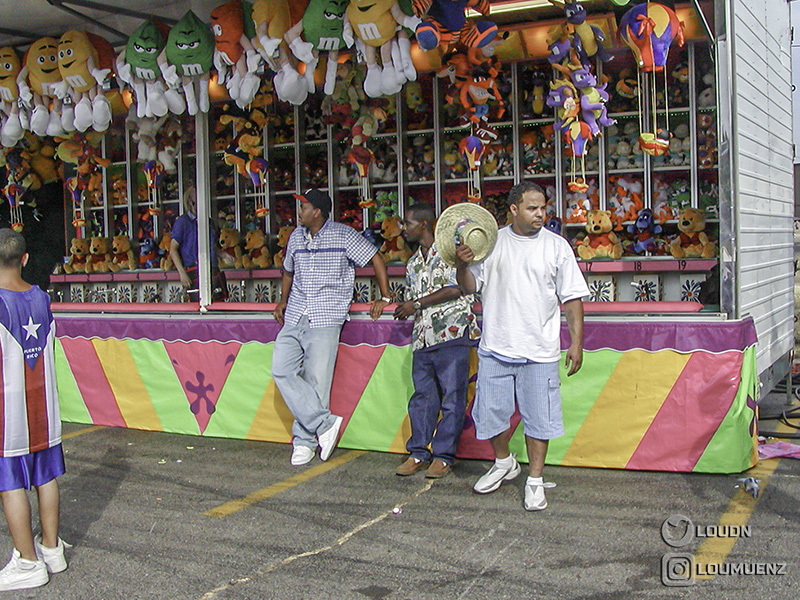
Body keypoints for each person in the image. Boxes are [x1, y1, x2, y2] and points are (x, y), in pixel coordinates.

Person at [455, 181, 589, 511]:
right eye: (532, 208)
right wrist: (461, 264)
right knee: (490, 416)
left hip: (540, 351)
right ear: (513, 210)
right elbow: (469, 287)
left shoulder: (557, 247)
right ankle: (504, 463)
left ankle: (534, 480)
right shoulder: (491, 243)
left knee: (539, 420)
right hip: (496, 348)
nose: (540, 214)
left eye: (543, 207)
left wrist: (576, 344)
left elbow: (572, 300)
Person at [272, 189, 393, 466]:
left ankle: (304, 442)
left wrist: (385, 296)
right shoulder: (295, 237)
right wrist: (282, 301)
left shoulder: (343, 234)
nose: (299, 211)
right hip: (295, 314)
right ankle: (325, 424)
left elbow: (375, 257)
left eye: (303, 207)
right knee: (281, 369)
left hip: (326, 315)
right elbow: (288, 271)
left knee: (317, 382)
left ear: (317, 212)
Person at [0, 229, 69, 590]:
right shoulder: (42, 297)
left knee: (9, 482)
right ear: (25, 259)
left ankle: (28, 562)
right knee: (45, 476)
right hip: (42, 405)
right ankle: (51, 548)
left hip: (8, 412)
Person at [393, 204, 479, 478]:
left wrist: (415, 303)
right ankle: (418, 452)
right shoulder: (413, 262)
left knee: (452, 398)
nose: (403, 228)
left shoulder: (453, 255)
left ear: (425, 225)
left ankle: (443, 456)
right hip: (423, 337)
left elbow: (459, 288)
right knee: (423, 398)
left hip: (452, 333)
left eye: (407, 223)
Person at [169, 185, 226, 302]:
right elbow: (173, 249)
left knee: (218, 304)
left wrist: (223, 254)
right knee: (198, 306)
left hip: (212, 268)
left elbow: (211, 247)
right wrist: (182, 273)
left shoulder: (209, 222)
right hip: (193, 269)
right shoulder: (183, 222)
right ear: (190, 203)